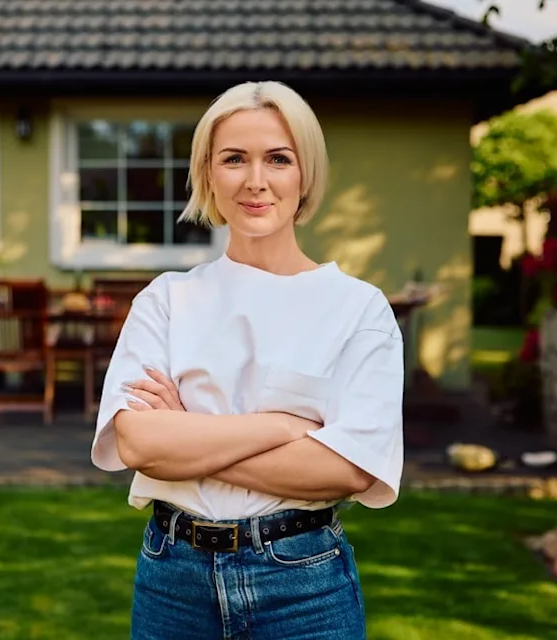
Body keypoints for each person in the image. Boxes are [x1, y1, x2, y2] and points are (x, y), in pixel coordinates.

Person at [90, 80, 404, 640]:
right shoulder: (166, 300)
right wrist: (284, 428)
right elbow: (137, 444)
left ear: (304, 173)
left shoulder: (359, 309)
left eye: (278, 159)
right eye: (234, 159)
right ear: (209, 173)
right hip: (173, 582)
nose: (256, 180)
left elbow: (349, 468)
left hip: (303, 586)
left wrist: (185, 437)